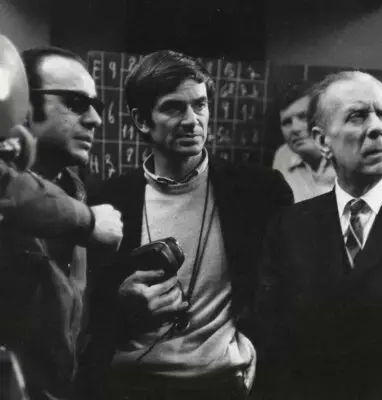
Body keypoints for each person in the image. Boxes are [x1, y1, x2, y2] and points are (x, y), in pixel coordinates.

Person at [80, 50, 292, 400]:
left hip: (223, 384)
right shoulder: (109, 200)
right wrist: (121, 302)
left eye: (200, 105)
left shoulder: (259, 192)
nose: (192, 120)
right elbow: (89, 308)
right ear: (142, 121)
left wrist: (255, 350)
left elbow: (286, 294)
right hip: (131, 384)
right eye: (174, 108)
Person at [256, 71, 382, 400]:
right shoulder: (289, 227)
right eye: (357, 116)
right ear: (323, 141)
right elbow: (273, 338)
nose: (377, 127)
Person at [0, 46, 123, 400]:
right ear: (23, 105)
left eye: (96, 106)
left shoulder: (81, 192)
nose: (95, 119)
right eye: (76, 102)